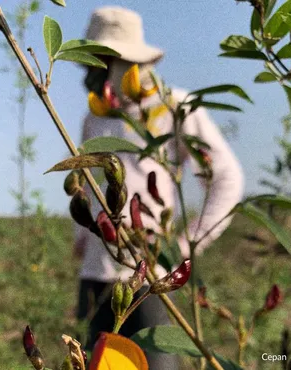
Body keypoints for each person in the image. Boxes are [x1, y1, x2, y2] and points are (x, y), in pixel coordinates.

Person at [74, 6, 244, 369]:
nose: (89, 74)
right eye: (86, 65)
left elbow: (227, 178)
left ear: (123, 62)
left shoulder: (175, 108)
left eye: (97, 63)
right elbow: (84, 185)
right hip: (96, 271)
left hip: (149, 276)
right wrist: (81, 233)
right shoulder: (94, 116)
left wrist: (187, 245)